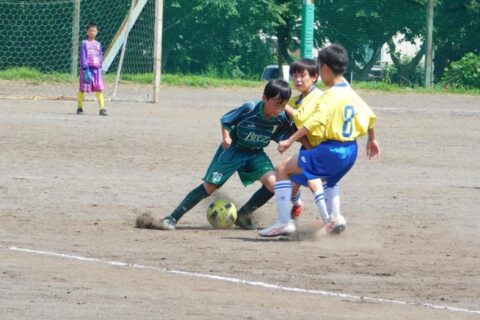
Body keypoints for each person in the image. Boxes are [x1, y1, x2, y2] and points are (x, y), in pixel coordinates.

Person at [259, 44, 381, 237]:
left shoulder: (328, 95)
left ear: (324, 69)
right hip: (351, 151)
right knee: (329, 181)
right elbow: (370, 116)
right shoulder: (350, 91)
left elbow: (312, 123)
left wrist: (289, 140)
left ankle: (284, 222)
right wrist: (372, 140)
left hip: (331, 150)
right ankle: (334, 218)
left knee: (282, 168)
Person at [138, 79, 294, 231]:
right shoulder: (250, 108)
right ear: (264, 98)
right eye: (276, 104)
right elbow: (226, 120)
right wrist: (226, 137)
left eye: (283, 105)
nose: (280, 109)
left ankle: (242, 215)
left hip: (255, 154)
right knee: (209, 187)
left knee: (274, 185)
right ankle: (172, 217)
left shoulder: (280, 118)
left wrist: (287, 141)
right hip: (233, 150)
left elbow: (291, 131)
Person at [283, 58, 324, 220]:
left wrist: (282, 104)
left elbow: (301, 119)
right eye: (294, 75)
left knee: (316, 183)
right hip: (308, 147)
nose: (298, 79)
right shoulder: (296, 100)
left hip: (324, 147)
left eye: (302, 75)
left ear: (314, 77)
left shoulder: (318, 97)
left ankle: (329, 220)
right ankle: (298, 204)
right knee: (292, 187)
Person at [76, 22, 107, 116]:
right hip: (87, 69)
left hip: (96, 69)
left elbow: (100, 55)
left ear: (97, 32)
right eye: (90, 31)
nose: (92, 32)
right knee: (82, 89)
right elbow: (83, 56)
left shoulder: (98, 44)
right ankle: (79, 108)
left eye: (94, 30)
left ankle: (102, 109)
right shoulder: (84, 43)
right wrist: (85, 69)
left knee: (99, 88)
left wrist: (100, 65)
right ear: (87, 32)